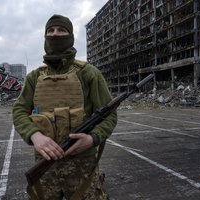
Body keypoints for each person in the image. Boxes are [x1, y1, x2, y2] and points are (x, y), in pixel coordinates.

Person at [13, 14, 117, 200]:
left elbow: (109, 114)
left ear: (70, 37)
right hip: (45, 165)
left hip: (82, 165)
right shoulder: (34, 77)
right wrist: (35, 136)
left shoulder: (89, 73)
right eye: (50, 31)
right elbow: (19, 111)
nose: (55, 34)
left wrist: (93, 138)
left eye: (61, 30)